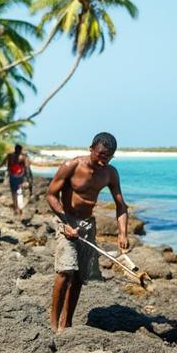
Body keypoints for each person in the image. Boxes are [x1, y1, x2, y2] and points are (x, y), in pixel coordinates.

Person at [46, 132, 129, 331]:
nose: (102, 161)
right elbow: (51, 195)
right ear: (91, 149)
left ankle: (67, 323)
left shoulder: (110, 173)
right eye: (99, 155)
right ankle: (53, 324)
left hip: (87, 225)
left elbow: (121, 206)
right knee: (66, 271)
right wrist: (65, 222)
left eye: (107, 157)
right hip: (66, 220)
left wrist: (122, 233)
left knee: (79, 277)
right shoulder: (71, 166)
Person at [5, 144, 33, 216]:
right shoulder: (23, 157)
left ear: (15, 149)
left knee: (14, 192)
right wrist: (29, 178)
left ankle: (16, 207)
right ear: (20, 150)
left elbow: (4, 164)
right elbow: (27, 168)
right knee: (19, 191)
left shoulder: (10, 155)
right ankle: (19, 208)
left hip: (12, 175)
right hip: (20, 176)